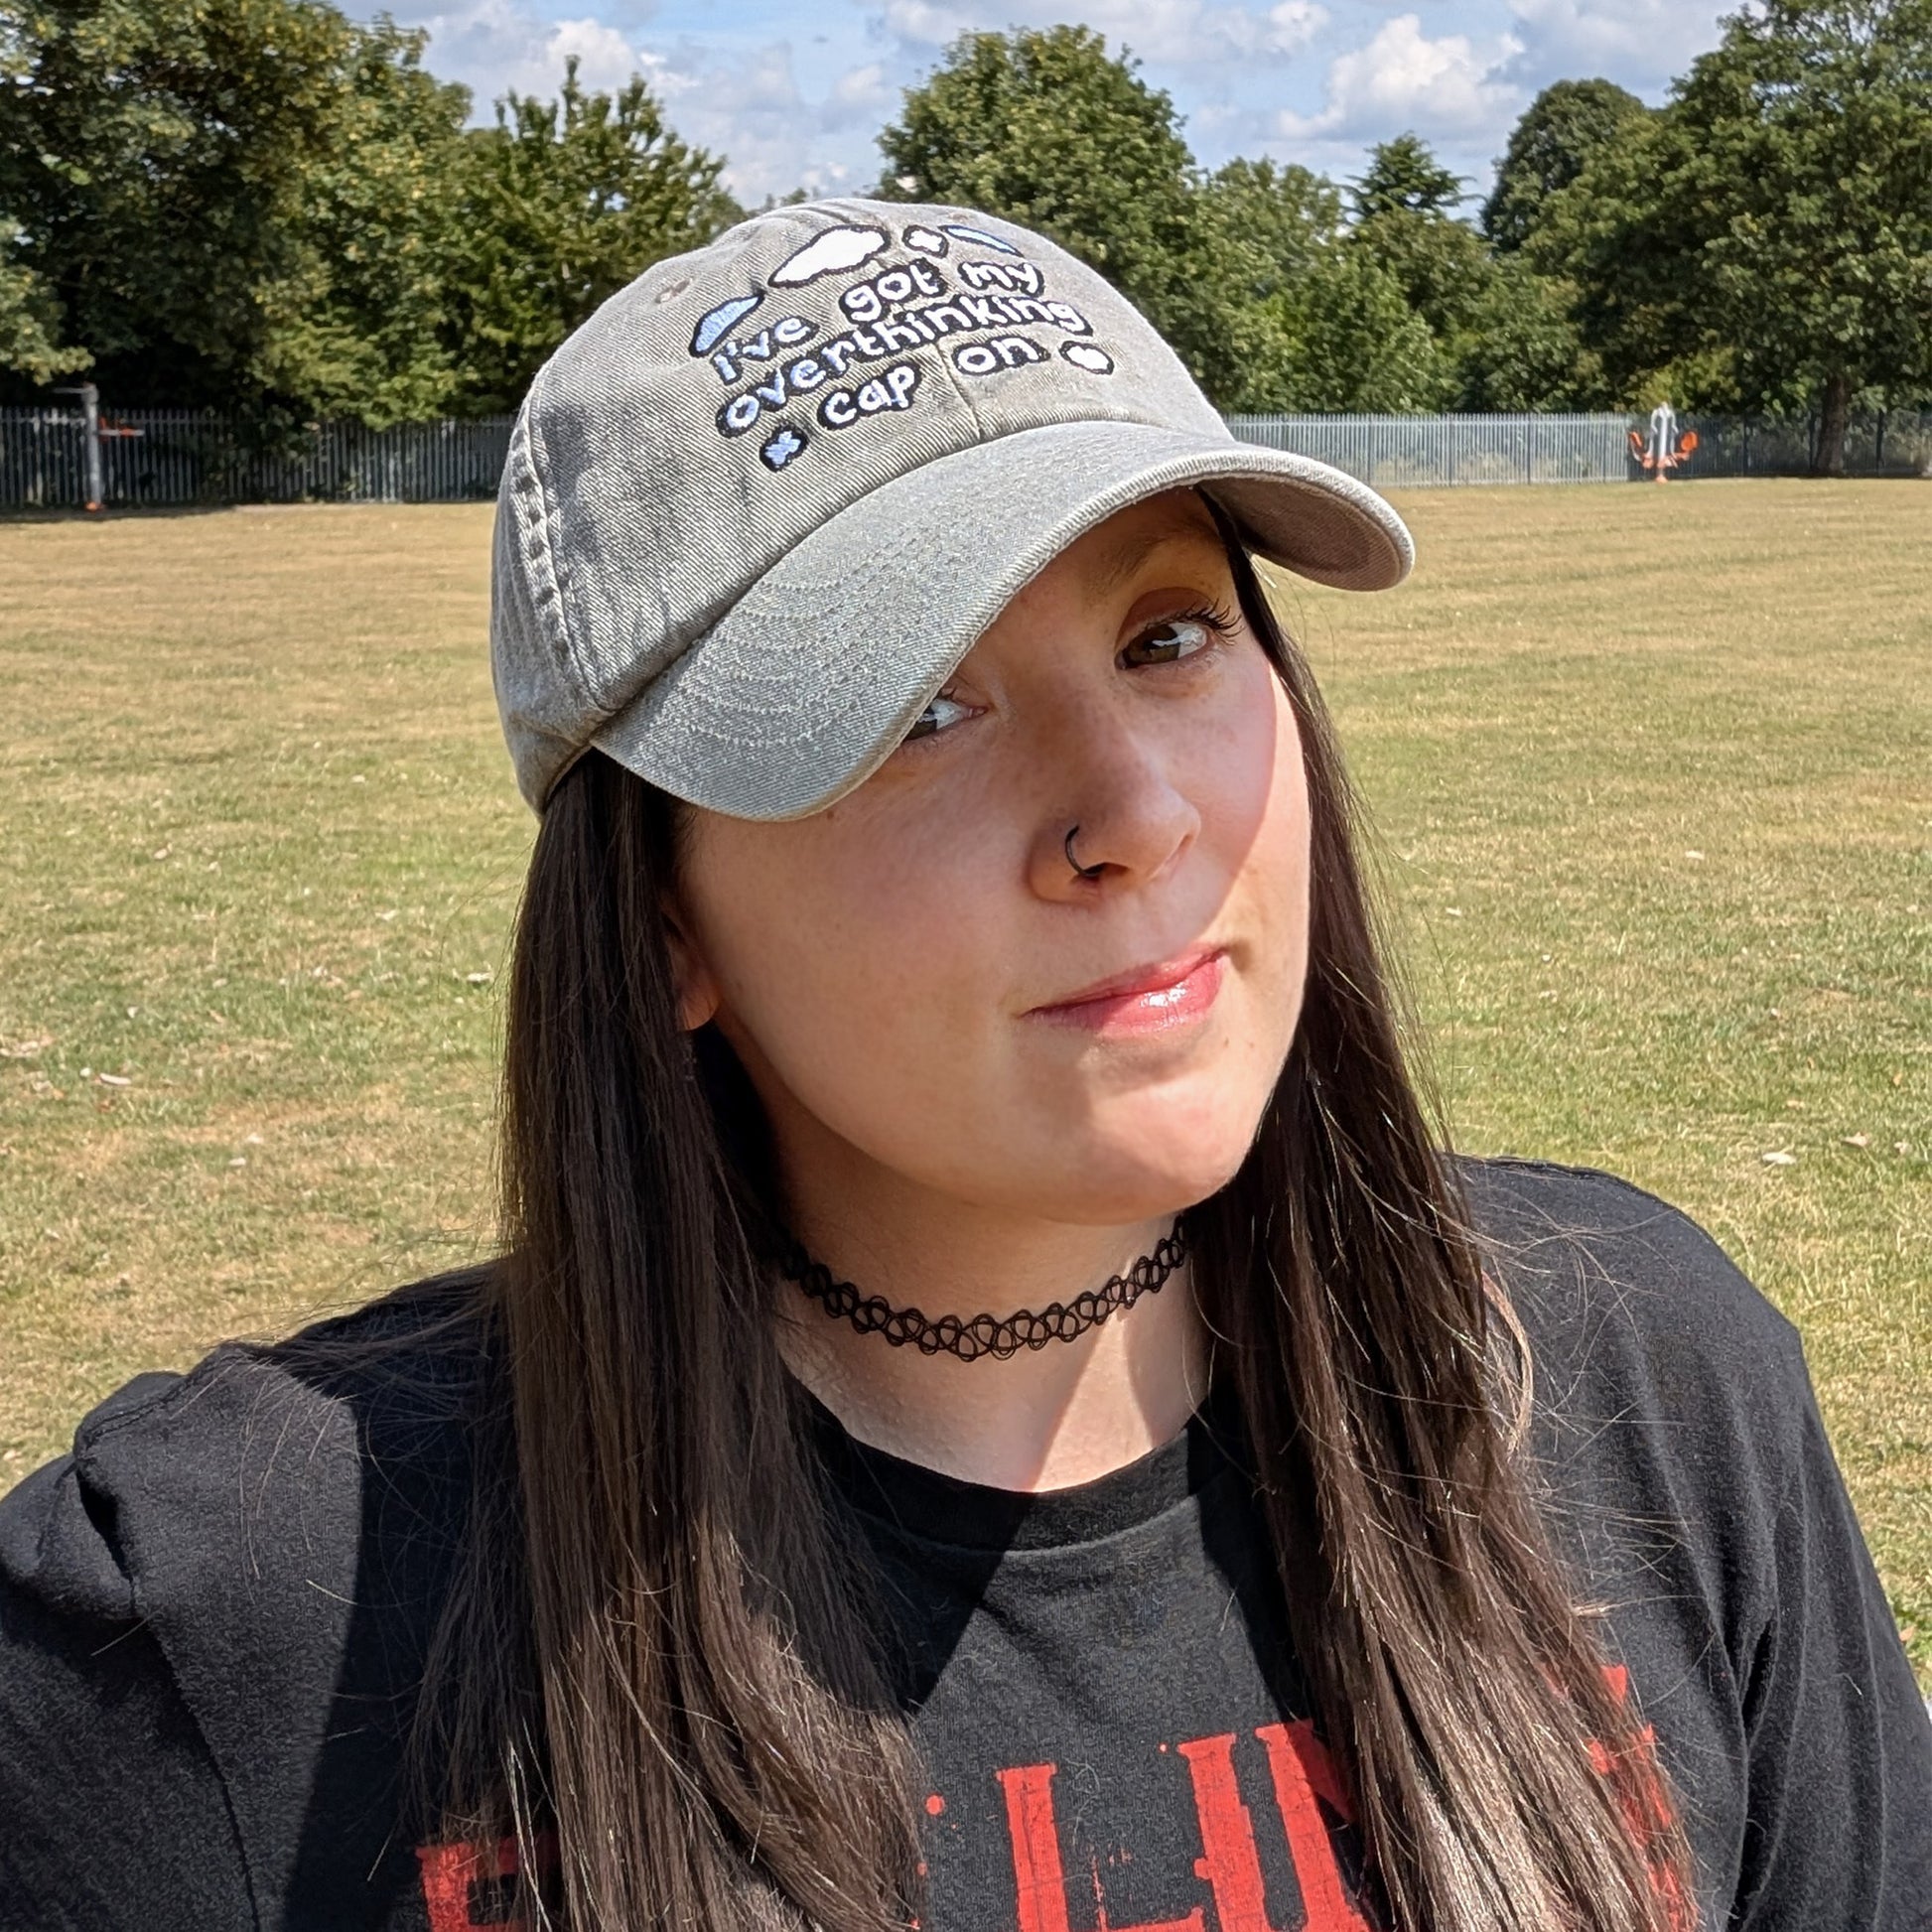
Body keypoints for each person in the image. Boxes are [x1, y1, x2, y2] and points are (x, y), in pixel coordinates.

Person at [0, 200, 1925, 1932]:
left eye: (1168, 633)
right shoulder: (220, 1628)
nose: (1135, 812)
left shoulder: (1636, 1384)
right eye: (921, 707)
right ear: (658, 918)